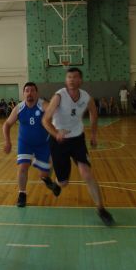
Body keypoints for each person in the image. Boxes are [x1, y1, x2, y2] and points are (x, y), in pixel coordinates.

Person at [42, 67, 114, 226]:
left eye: (75, 77)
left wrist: (93, 135)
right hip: (59, 141)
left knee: (86, 174)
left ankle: (101, 209)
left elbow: (94, 113)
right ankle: (55, 182)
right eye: (69, 77)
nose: (71, 80)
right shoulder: (59, 96)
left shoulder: (86, 97)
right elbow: (45, 120)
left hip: (77, 140)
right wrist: (56, 133)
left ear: (80, 80)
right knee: (64, 183)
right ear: (66, 80)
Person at [2, 82, 61, 207]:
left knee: (44, 173)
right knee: (23, 167)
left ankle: (47, 180)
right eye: (27, 90)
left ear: (37, 93)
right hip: (25, 143)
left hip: (43, 144)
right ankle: (22, 194)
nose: (29, 93)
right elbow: (6, 124)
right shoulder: (19, 108)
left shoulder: (43, 105)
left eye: (32, 90)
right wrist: (7, 141)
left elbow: (55, 114)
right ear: (23, 93)